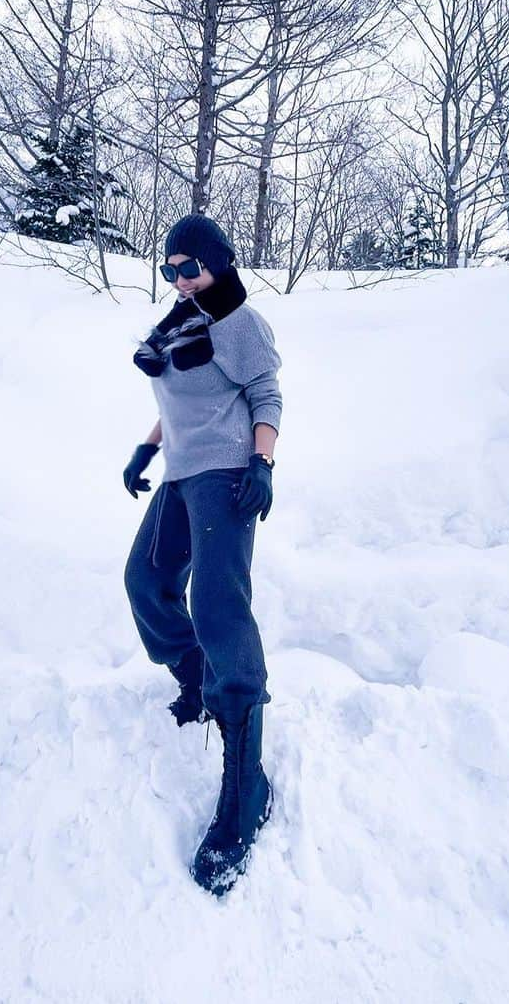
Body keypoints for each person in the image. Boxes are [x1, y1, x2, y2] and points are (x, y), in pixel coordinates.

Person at [122, 214, 283, 897]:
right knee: (145, 581)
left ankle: (246, 783)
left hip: (225, 474)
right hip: (183, 472)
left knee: (218, 608)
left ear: (219, 265)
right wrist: (147, 448)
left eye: (191, 268)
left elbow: (264, 393)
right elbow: (179, 401)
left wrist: (263, 461)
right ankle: (197, 683)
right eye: (171, 269)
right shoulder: (179, 324)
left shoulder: (238, 321)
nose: (182, 280)